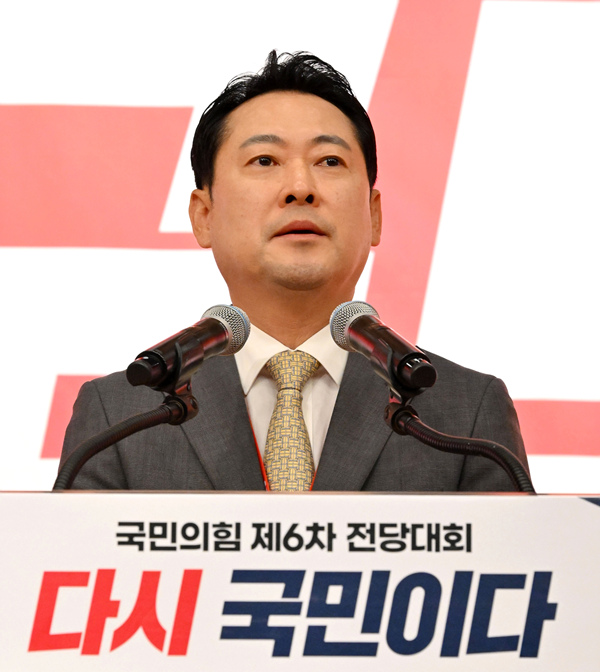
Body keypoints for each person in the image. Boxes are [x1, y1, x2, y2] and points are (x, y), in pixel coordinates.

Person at [60, 50, 528, 492]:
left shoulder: (465, 413)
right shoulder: (118, 417)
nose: (301, 187)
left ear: (374, 216)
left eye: (330, 161)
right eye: (264, 160)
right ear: (204, 216)